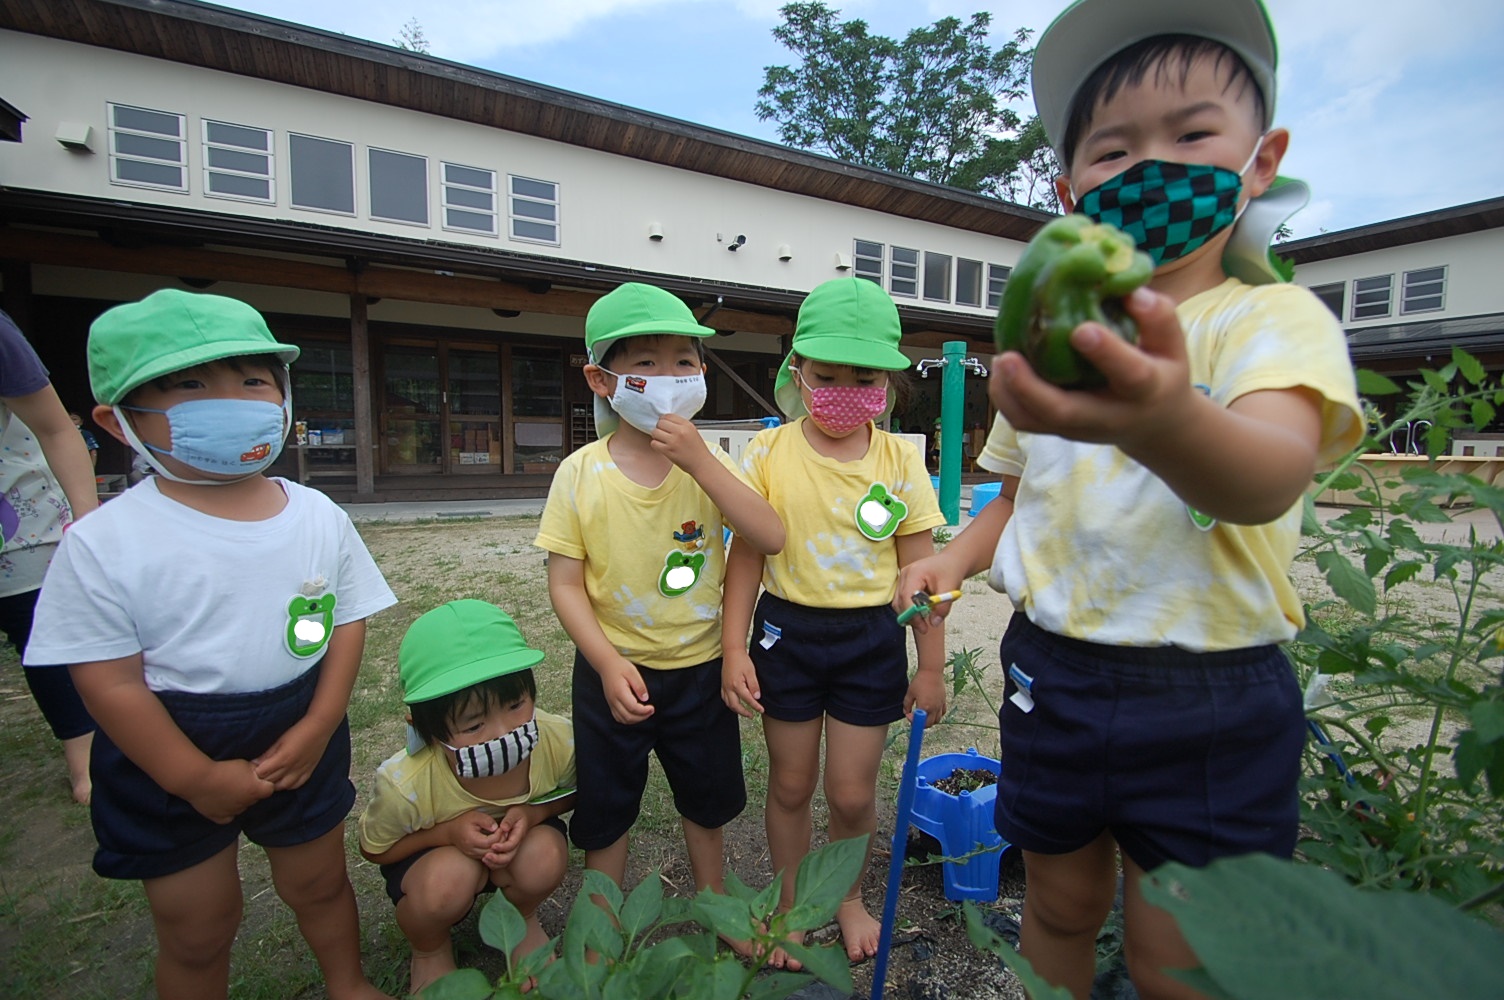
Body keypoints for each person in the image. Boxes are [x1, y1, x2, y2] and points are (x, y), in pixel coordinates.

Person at [897, 2, 1364, 997]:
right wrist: (950, 557)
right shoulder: (1053, 342)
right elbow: (1014, 499)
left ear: (1261, 157)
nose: (1153, 165)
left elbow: (1268, 473)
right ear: (1068, 191)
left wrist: (1161, 419)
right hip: (1055, 674)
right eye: (1114, 148)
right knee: (1058, 902)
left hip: (1211, 691)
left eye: (1193, 134)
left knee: (1178, 956)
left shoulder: (1270, 320)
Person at [24, 288, 398, 1000]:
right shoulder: (104, 541)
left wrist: (319, 725)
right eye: (192, 385)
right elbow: (109, 683)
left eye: (253, 380)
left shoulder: (316, 513)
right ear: (118, 421)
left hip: (302, 724)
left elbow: (348, 619)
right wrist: (193, 778)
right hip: (167, 744)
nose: (234, 400)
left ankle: (347, 983)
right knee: (198, 923)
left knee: (318, 881)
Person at [534, 282, 784, 946]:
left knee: (708, 799)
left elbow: (767, 536)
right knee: (606, 808)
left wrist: (703, 462)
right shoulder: (580, 474)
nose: (671, 378)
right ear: (602, 378)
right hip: (614, 673)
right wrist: (608, 662)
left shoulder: (712, 467)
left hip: (700, 669)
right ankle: (601, 924)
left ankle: (716, 898)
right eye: (647, 363)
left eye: (685, 361)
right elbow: (564, 583)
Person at [721, 277, 948, 967]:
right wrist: (734, 647)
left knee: (851, 793)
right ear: (797, 370)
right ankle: (791, 906)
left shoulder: (901, 459)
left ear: (888, 380)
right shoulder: (766, 454)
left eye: (863, 377)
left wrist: (932, 665)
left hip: (869, 641)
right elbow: (745, 564)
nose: (843, 390)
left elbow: (923, 573)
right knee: (790, 784)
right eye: (826, 375)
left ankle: (846, 898)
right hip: (786, 634)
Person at [358, 600, 575, 996]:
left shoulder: (556, 739)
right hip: (434, 863)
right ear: (423, 727)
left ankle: (521, 920)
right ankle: (430, 949)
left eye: (516, 705)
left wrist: (534, 813)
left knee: (544, 855)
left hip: (521, 847)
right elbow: (375, 849)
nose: (502, 731)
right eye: (474, 724)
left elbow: (580, 791)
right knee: (448, 880)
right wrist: (447, 834)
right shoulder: (406, 784)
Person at [0, 309, 99, 803]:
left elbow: (57, 428)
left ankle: (82, 753)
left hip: (19, 525)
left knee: (40, 640)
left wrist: (88, 516)